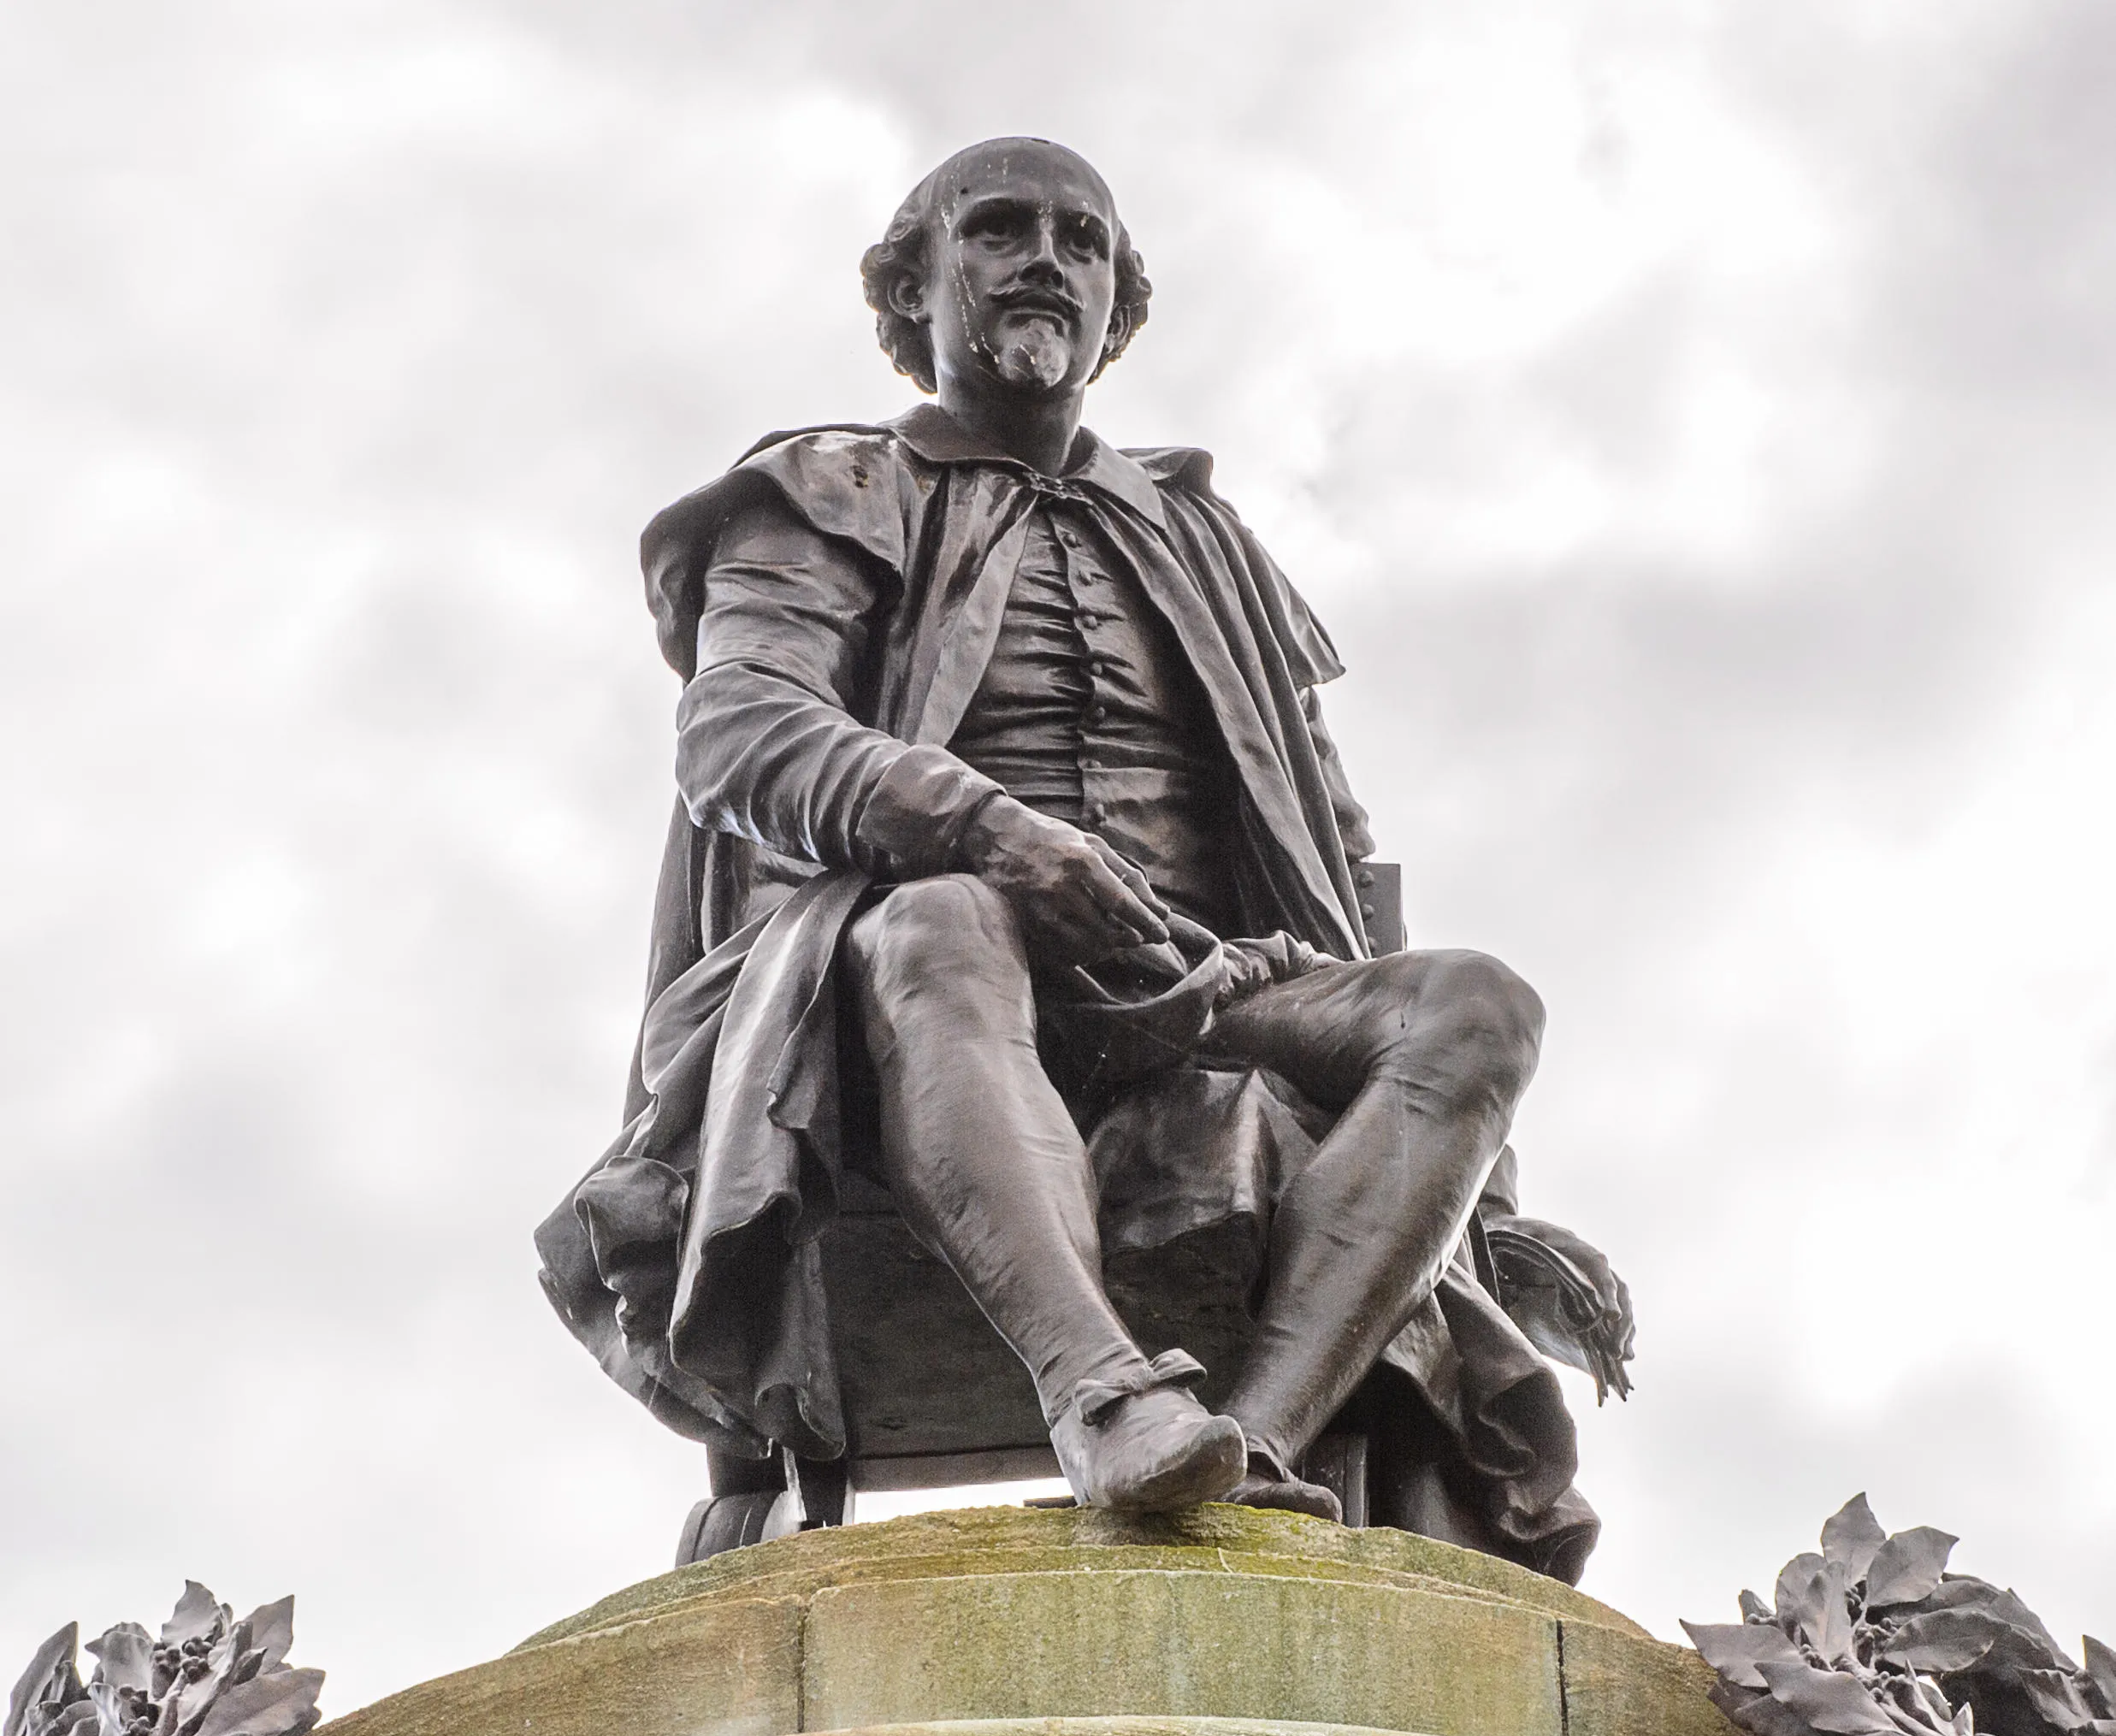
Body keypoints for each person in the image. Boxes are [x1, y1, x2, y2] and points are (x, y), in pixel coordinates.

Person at [537, 138, 1619, 1570]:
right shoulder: (824, 489)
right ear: (911, 292)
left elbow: (1334, 845)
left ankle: (1255, 1442)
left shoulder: (1204, 542)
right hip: (887, 977)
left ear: (1117, 306)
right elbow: (740, 732)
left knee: (1476, 1002)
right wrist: (989, 830)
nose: (1045, 258)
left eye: (1081, 239)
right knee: (945, 921)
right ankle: (1100, 1395)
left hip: (1200, 988)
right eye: (996, 230)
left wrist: (1489, 1197)